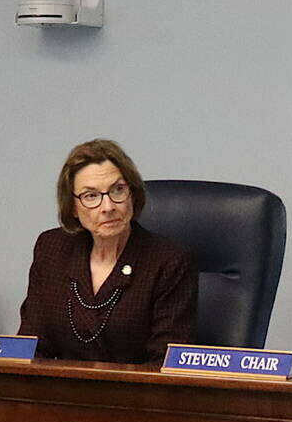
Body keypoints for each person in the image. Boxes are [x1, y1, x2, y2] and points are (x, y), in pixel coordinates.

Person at [18, 139, 197, 364]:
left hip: (136, 395)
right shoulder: (52, 249)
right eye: (91, 196)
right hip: (60, 393)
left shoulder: (168, 262)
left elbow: (165, 363)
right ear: (73, 207)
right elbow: (31, 346)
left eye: (117, 190)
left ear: (132, 194)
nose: (108, 207)